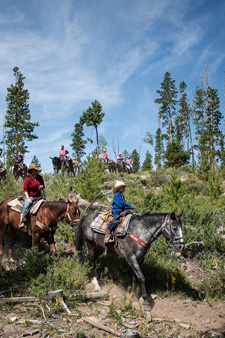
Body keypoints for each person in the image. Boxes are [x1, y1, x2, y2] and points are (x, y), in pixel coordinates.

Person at [19, 163, 45, 228]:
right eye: (35, 170)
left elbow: (43, 186)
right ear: (31, 171)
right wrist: (28, 199)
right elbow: (25, 190)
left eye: (37, 170)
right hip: (30, 195)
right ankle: (21, 222)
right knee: (26, 205)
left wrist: (42, 186)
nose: (36, 171)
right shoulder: (28, 179)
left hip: (39, 196)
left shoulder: (40, 177)